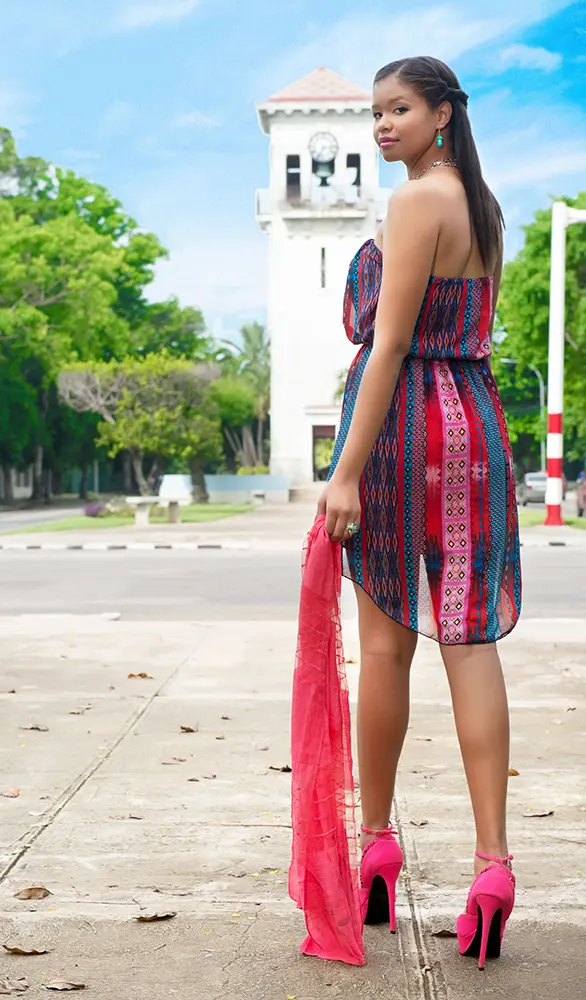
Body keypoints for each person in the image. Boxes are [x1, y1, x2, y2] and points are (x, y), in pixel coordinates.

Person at [305, 56, 521, 971]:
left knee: (388, 642)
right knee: (470, 643)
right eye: (375, 112)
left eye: (399, 110)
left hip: (400, 436)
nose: (382, 125)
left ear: (441, 115)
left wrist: (346, 470)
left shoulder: (412, 204)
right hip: (474, 426)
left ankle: (380, 843)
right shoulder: (483, 207)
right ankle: (493, 864)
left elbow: (389, 345)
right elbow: (467, 334)